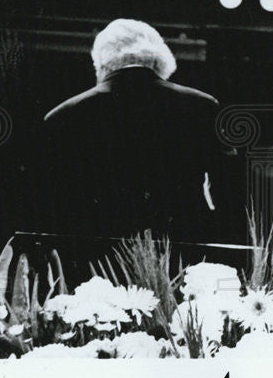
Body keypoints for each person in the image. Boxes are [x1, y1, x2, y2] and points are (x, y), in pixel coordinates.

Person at [38, 19, 237, 251]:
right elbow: (229, 189)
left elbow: (50, 204)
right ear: (159, 59)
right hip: (183, 250)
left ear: (102, 64)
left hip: (94, 256)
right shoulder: (203, 106)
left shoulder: (62, 117)